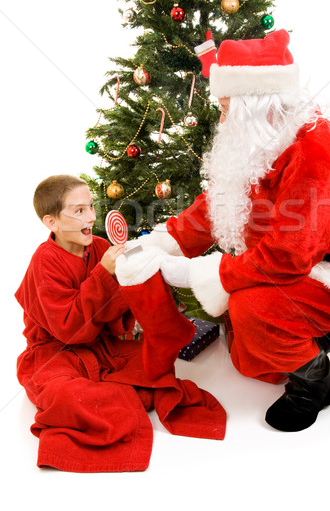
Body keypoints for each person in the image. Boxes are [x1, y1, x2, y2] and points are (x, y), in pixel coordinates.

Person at [121, 29, 330, 432]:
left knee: (252, 311)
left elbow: (288, 256)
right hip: (308, 268)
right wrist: (164, 242)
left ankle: (318, 382)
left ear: (254, 105)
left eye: (224, 107)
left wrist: (202, 274)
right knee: (245, 351)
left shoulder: (315, 152)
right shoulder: (268, 137)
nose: (220, 118)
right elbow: (220, 204)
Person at [15, 175, 226, 473]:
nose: (91, 216)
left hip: (100, 346)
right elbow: (68, 329)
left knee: (155, 365)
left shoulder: (101, 247)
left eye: (90, 206)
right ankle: (121, 398)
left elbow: (118, 309)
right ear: (52, 222)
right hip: (55, 353)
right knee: (64, 396)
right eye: (78, 211)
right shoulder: (44, 261)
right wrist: (103, 274)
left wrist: (137, 272)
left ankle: (115, 395)